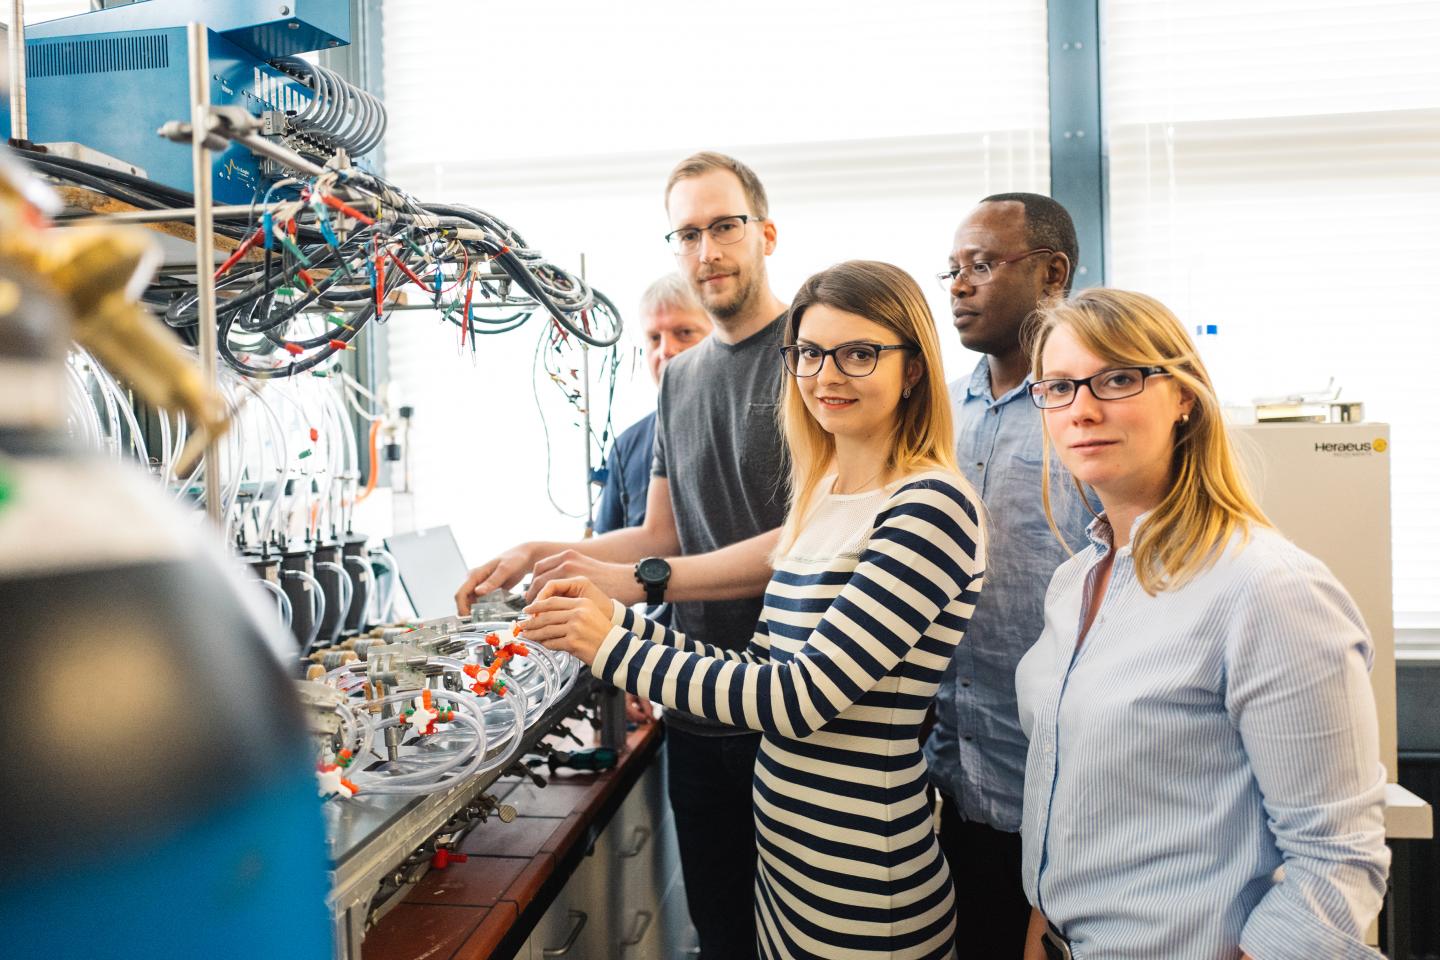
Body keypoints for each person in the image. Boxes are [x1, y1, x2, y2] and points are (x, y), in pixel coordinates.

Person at [521, 260, 985, 960]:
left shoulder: (930, 507)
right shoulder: (824, 494)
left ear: (913, 369)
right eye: (809, 353)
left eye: (860, 353)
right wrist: (618, 621)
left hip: (863, 887)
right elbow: (761, 664)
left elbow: (799, 697)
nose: (827, 376)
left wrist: (612, 646)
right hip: (791, 873)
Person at [455, 151, 790, 960]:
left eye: (723, 227)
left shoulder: (810, 358)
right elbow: (662, 535)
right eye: (687, 233)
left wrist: (636, 581)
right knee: (722, 934)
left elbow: (805, 541)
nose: (706, 251)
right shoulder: (681, 382)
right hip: (696, 700)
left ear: (766, 233)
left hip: (792, 704)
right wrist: (545, 549)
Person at [1016, 288, 1389, 960]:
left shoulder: (1267, 588)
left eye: (1119, 379)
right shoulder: (1075, 583)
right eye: (1059, 388)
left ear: (1184, 396)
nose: (1084, 409)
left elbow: (1337, 861)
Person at [924, 193, 1097, 956]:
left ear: (1052, 273)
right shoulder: (938, 417)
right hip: (954, 777)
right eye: (953, 270)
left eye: (983, 265)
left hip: (1068, 788)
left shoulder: (1090, 415)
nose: (959, 286)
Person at [593, 274, 711, 535]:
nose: (666, 350)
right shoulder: (625, 447)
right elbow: (606, 549)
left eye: (684, 333)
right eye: (655, 338)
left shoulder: (748, 428)